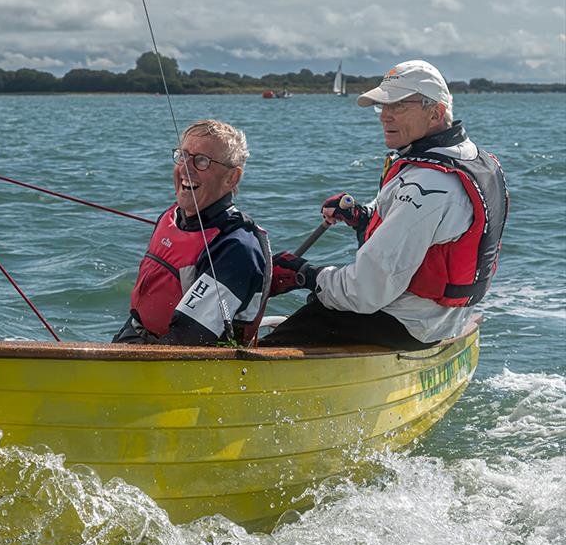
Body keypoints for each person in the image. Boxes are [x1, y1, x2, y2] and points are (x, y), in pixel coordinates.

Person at [263, 59, 509, 350]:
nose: (384, 117)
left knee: (278, 342)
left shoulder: (428, 185)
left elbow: (366, 291)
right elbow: (432, 231)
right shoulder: (476, 160)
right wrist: (362, 216)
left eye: (398, 106)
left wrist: (305, 275)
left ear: (436, 113)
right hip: (447, 319)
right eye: (384, 107)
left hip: (408, 324)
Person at [113, 120, 271, 346]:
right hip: (138, 342)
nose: (185, 168)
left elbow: (188, 341)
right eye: (182, 156)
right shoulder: (171, 217)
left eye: (201, 161)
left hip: (183, 364)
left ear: (231, 178)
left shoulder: (236, 248)